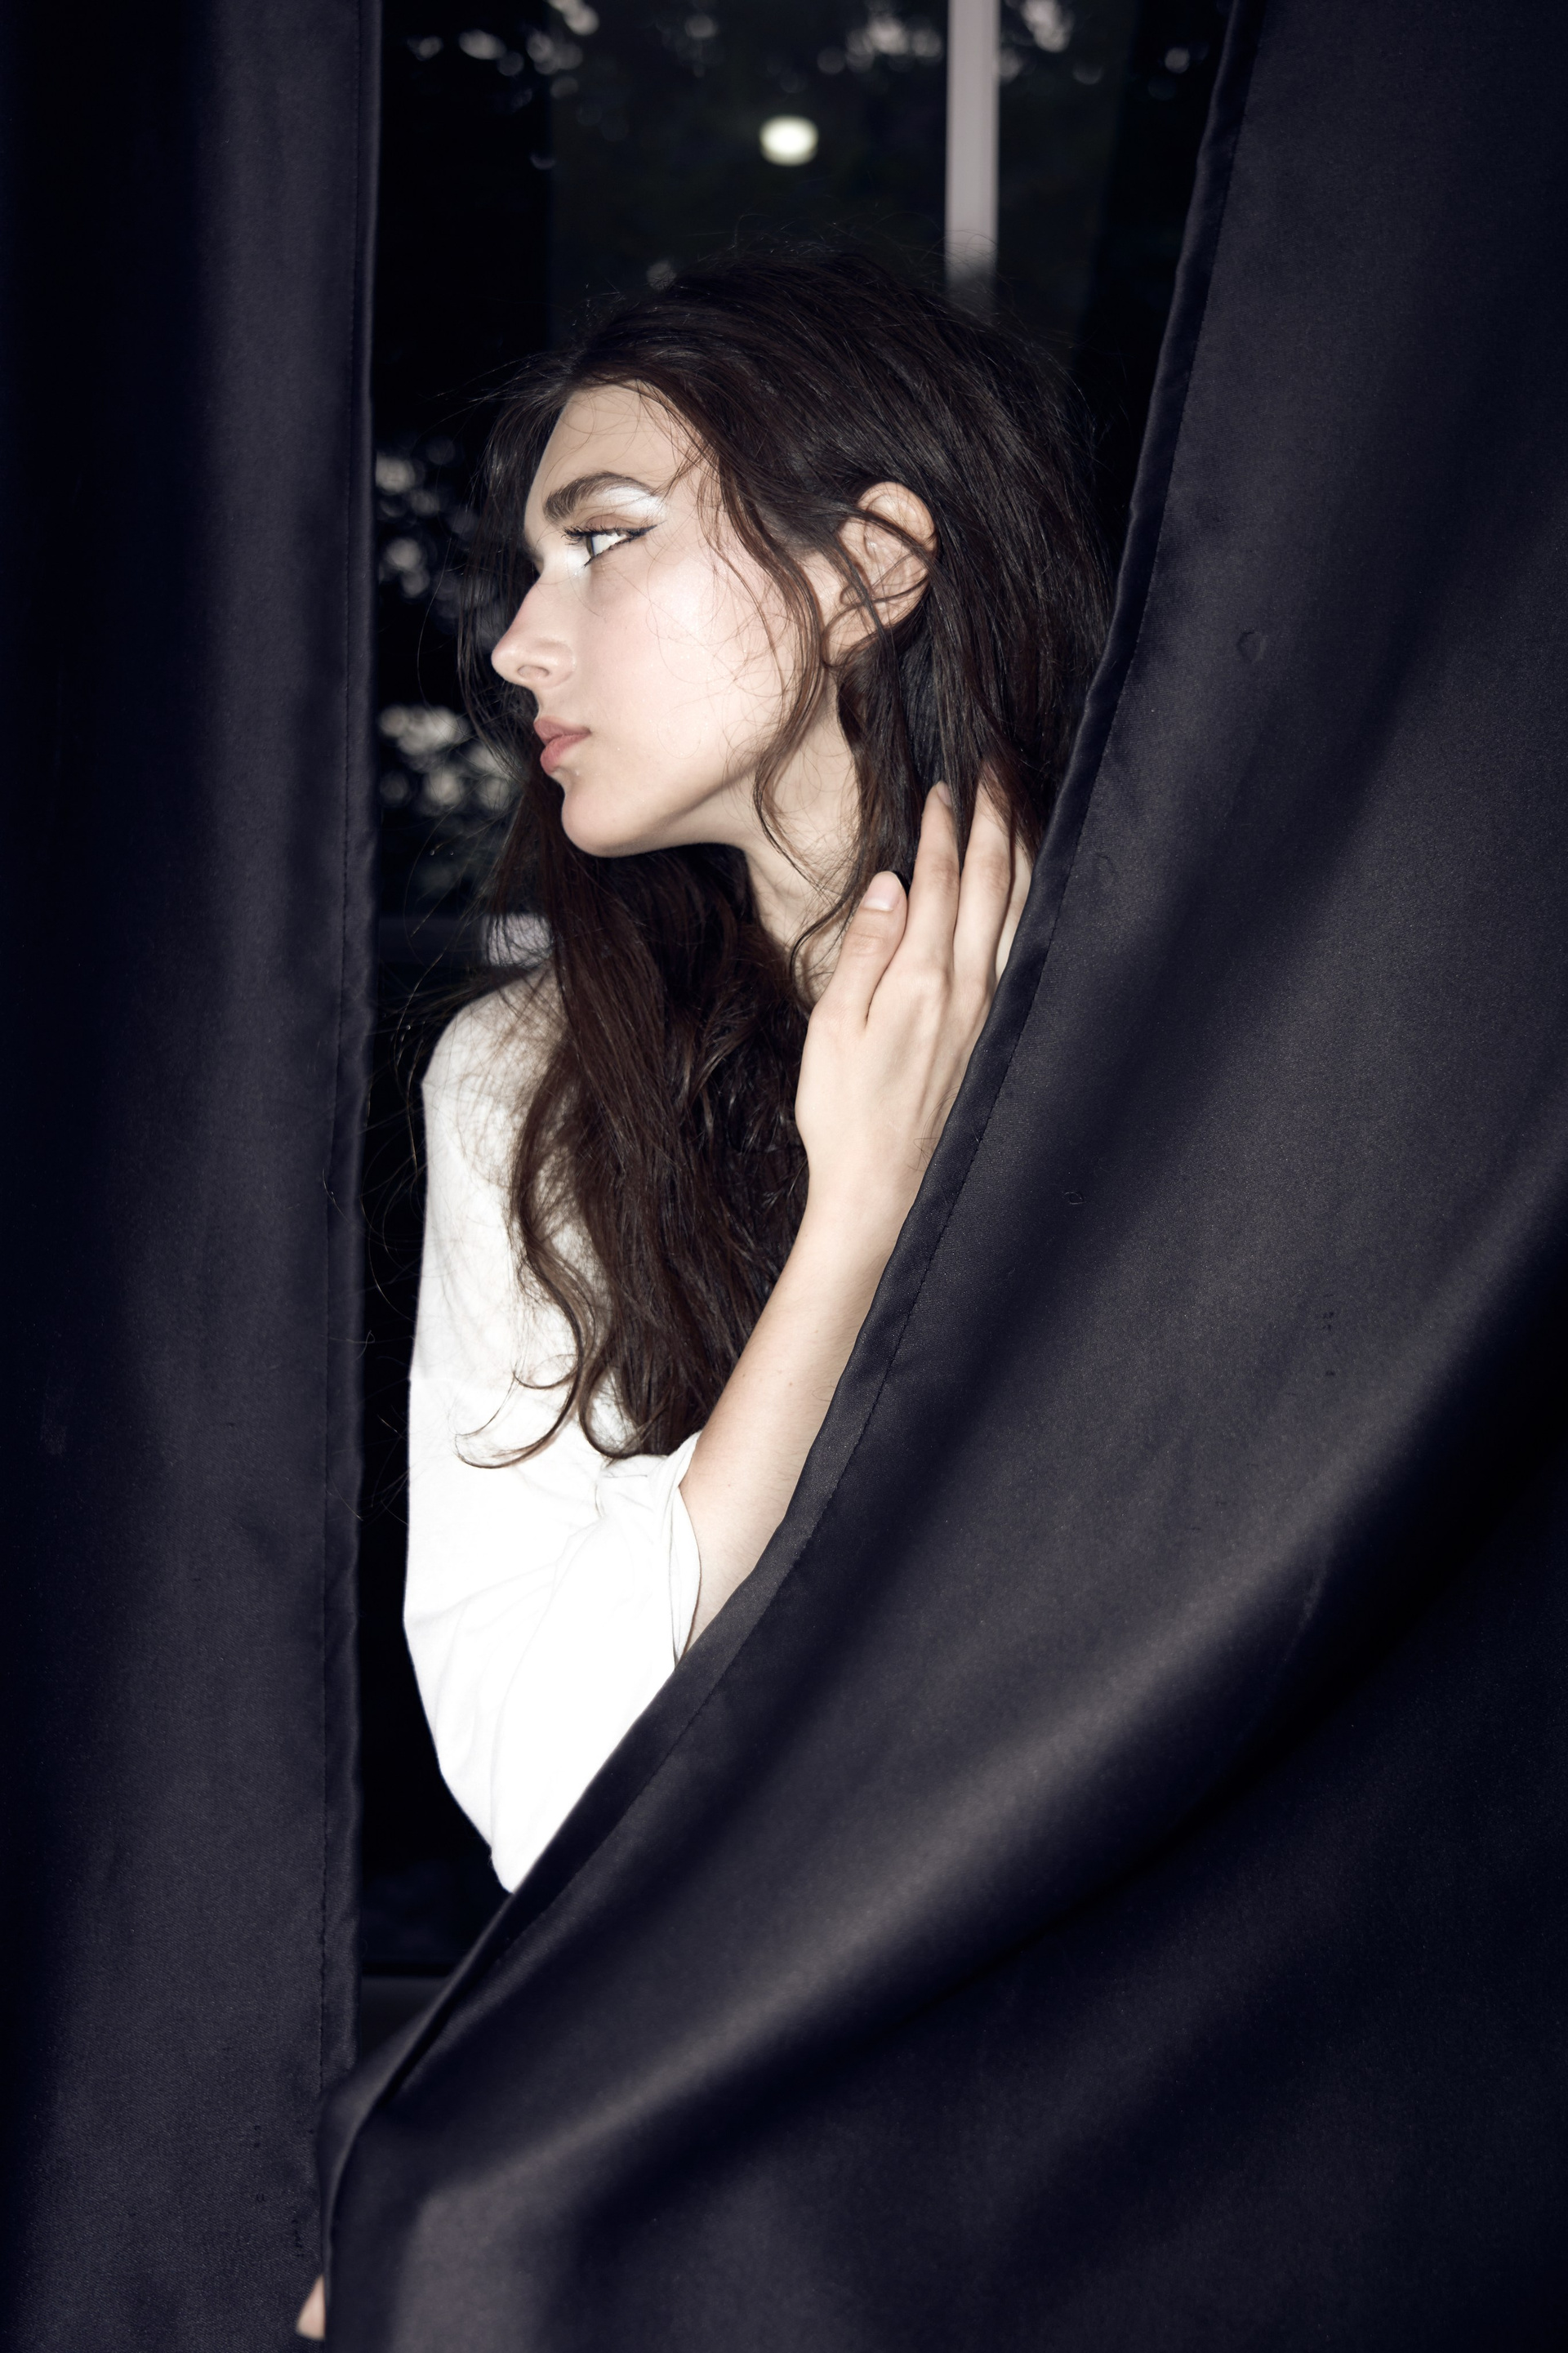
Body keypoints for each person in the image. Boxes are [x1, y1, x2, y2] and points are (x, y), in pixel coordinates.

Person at [297, 244, 1106, 2337]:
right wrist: (853, 1230)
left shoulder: (1172, 1013)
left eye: (604, 540)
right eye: (527, 567)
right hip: (711, 2018)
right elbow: (544, 1782)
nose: (514, 641)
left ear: (869, 570)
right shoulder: (529, 1087)